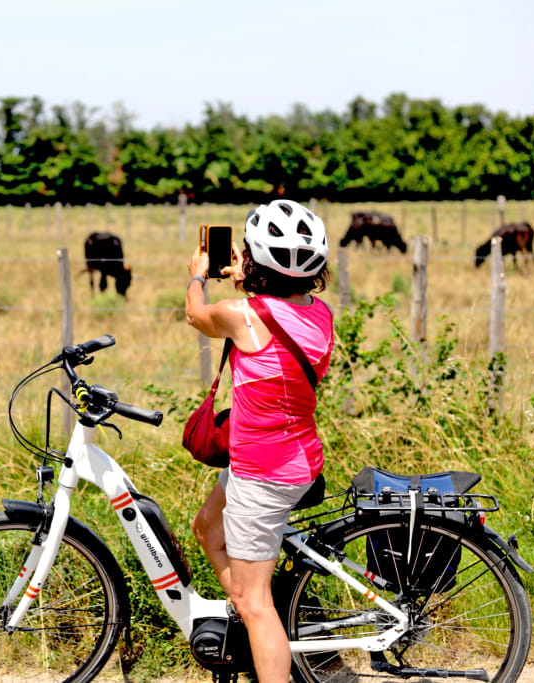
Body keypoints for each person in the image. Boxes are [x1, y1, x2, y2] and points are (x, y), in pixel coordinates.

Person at [185, 199, 333, 683]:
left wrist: (197, 276)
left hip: (263, 474)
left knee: (256, 603)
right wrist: (248, 281)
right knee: (207, 529)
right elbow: (269, 313)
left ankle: (256, 618)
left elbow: (196, 315)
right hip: (296, 458)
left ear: (258, 262)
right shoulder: (319, 313)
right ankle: (248, 614)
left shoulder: (239, 315)